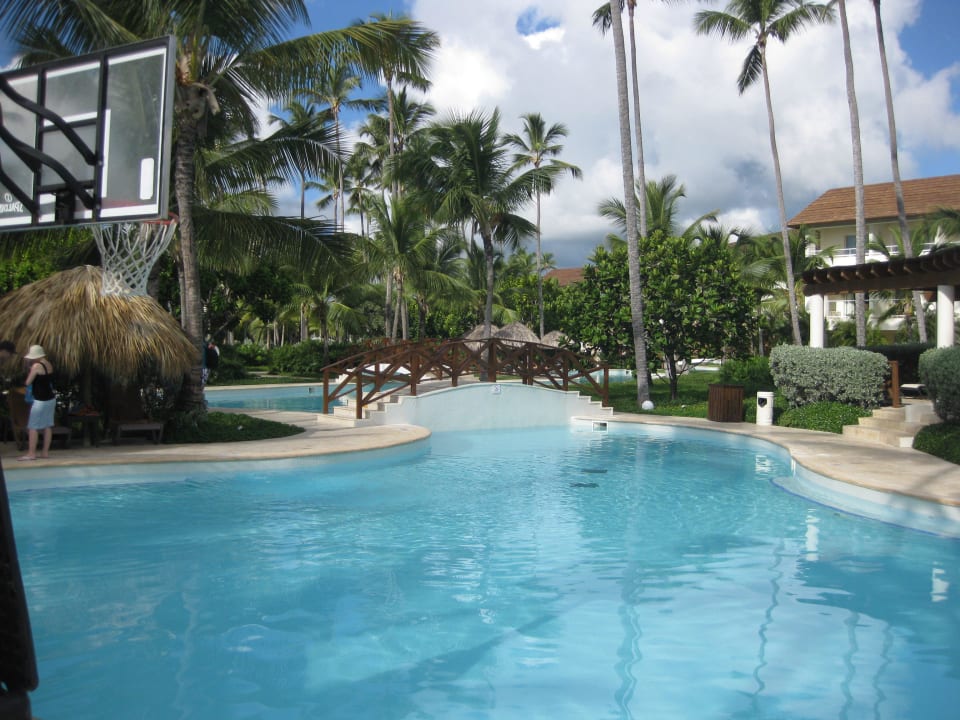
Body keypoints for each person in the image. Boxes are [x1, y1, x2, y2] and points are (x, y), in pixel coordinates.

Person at [18, 345, 57, 461]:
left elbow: (28, 382)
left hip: (40, 400)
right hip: (51, 399)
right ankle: (45, 452)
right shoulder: (49, 364)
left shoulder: (36, 366)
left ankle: (31, 454)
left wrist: (31, 369)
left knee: (32, 427)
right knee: (47, 426)